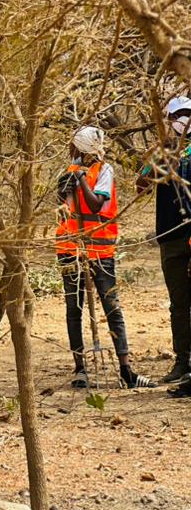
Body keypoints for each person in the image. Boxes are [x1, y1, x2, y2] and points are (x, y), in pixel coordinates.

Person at [56, 126, 155, 389]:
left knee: (112, 307)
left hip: (100, 250)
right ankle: (80, 369)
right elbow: (64, 204)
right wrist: (65, 188)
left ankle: (126, 370)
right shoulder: (69, 171)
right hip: (70, 248)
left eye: (74, 146)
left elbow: (96, 204)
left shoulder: (104, 170)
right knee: (74, 309)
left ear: (82, 148)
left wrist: (81, 180)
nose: (71, 150)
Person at [138, 96, 191, 386]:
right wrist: (161, 156)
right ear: (169, 120)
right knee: (178, 303)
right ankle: (182, 362)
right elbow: (141, 185)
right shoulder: (163, 152)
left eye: (188, 114)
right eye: (178, 115)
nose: (184, 120)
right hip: (170, 236)